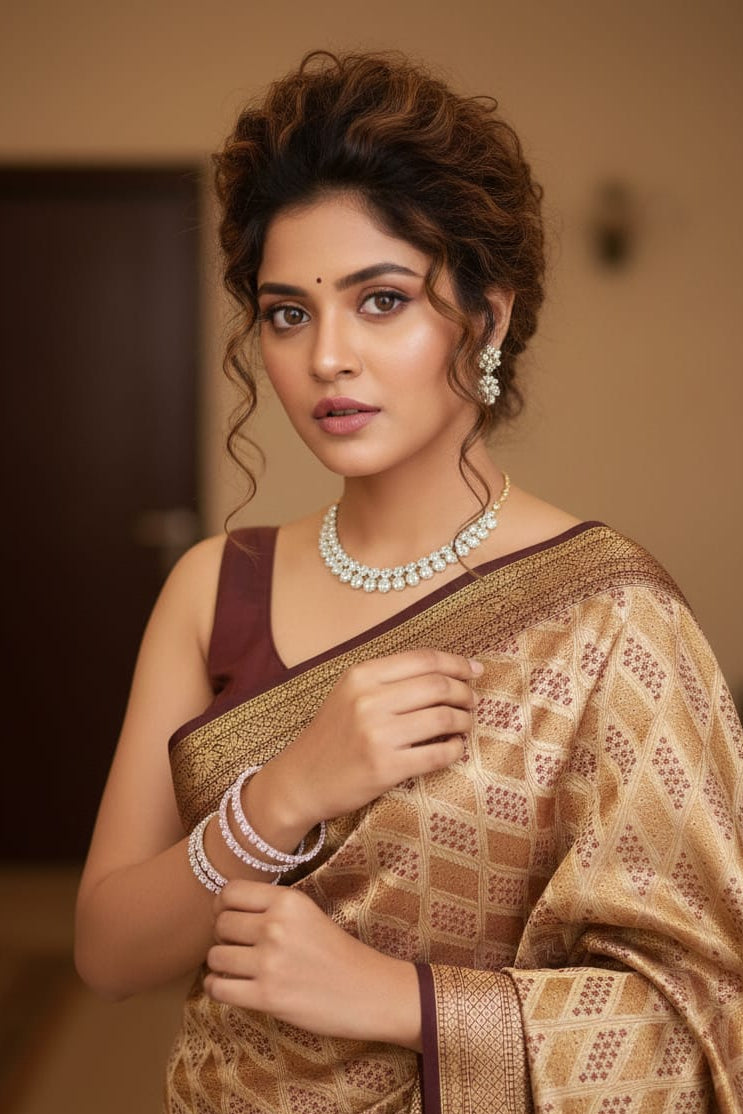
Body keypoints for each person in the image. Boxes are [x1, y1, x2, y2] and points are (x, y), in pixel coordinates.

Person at [74, 51, 743, 1114]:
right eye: (288, 312)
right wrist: (285, 795)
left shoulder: (617, 618)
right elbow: (108, 953)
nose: (326, 357)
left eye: (379, 301)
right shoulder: (213, 586)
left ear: (484, 317)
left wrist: (399, 999)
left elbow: (702, 1023)